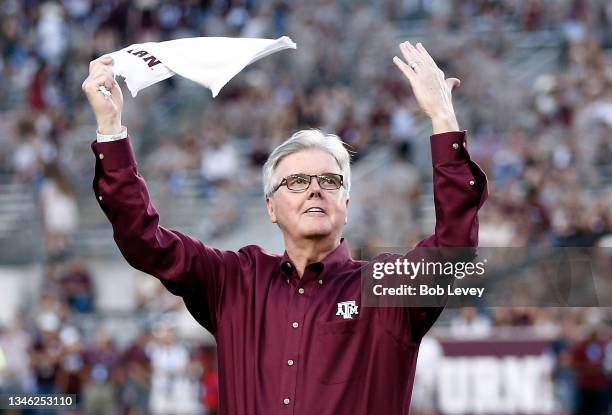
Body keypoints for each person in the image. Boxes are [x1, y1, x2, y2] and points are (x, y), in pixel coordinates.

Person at [82, 41, 488, 414]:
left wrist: (442, 118)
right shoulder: (233, 281)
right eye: (296, 181)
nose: (314, 189)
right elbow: (144, 240)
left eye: (329, 181)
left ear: (346, 204)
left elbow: (453, 250)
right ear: (270, 207)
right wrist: (111, 129)